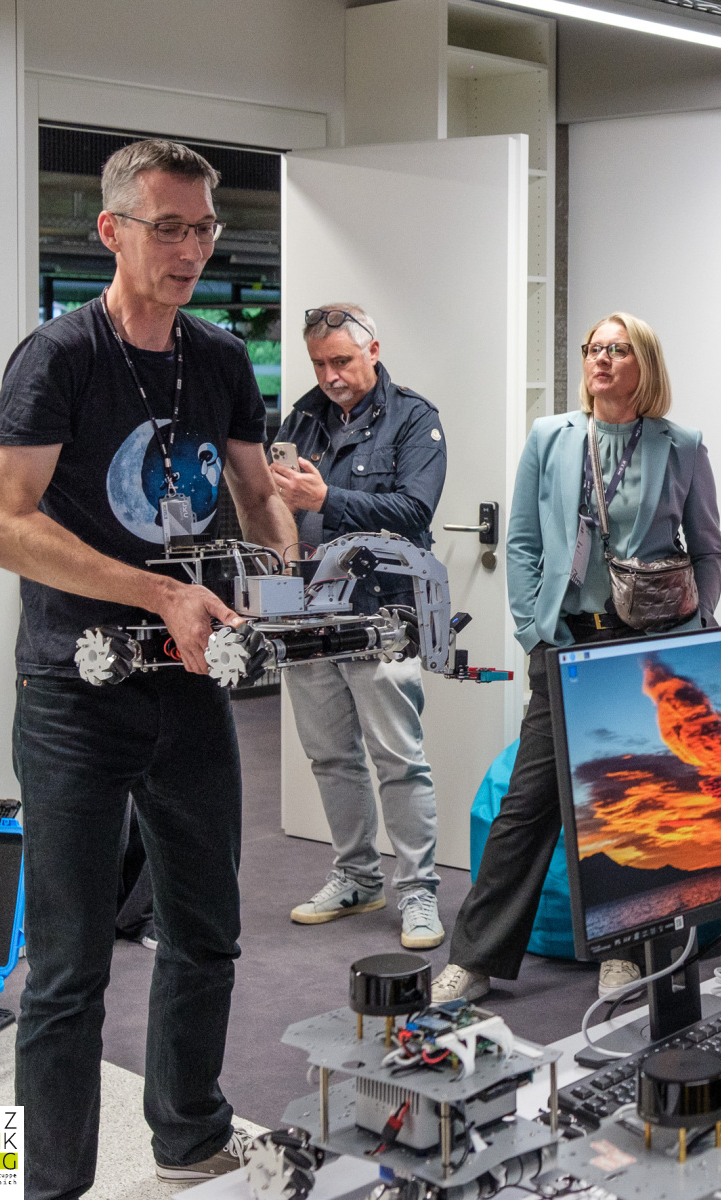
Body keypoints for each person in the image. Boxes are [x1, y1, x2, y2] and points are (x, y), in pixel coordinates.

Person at [0, 139, 296, 1194]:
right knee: (68, 968)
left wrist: (291, 585)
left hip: (189, 689)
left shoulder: (220, 356)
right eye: (169, 228)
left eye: (204, 229)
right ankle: (45, 1183)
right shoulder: (59, 357)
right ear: (112, 230)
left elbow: (255, 495)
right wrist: (157, 591)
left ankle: (189, 1138)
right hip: (75, 689)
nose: (192, 249)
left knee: (205, 931)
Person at [432, 312, 721, 1003]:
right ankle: (473, 959)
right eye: (595, 348)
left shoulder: (681, 445)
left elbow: (709, 548)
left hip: (645, 651)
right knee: (527, 807)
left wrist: (691, 633)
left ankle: (625, 951)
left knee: (630, 805)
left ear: (644, 364)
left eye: (618, 349)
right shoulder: (552, 437)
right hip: (566, 643)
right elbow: (524, 541)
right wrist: (532, 629)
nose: (602, 359)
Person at [272, 303, 449, 950]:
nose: (331, 376)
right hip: (308, 611)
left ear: (373, 350)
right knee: (329, 756)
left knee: (399, 760)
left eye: (342, 361)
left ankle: (419, 892)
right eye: (320, 363)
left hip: (382, 614)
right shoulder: (301, 418)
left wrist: (326, 499)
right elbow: (274, 507)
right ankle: (356, 877)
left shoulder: (414, 418)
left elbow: (414, 510)